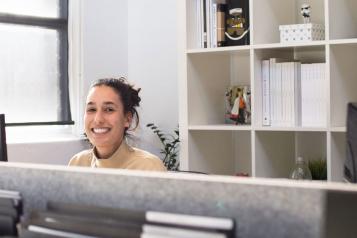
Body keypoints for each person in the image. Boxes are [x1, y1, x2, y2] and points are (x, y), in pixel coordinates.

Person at [68, 77, 167, 171]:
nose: (98, 119)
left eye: (109, 109)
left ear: (127, 119)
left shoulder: (149, 167)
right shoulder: (77, 163)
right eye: (92, 109)